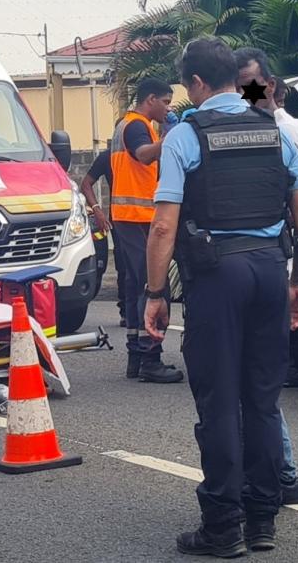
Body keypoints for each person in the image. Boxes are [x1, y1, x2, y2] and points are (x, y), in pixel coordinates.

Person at [144, 37, 298, 556]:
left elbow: (162, 228)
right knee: (262, 401)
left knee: (219, 403)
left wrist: (156, 294)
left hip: (217, 276)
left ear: (197, 82)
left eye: (186, 86)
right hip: (269, 272)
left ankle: (223, 525)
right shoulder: (276, 131)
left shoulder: (184, 136)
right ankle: (263, 518)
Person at [232, 46, 298, 501]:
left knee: (255, 381)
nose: (242, 93)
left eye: (250, 84)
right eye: (236, 84)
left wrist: (297, 279)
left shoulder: (281, 130)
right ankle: (272, 474)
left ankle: (281, 474)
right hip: (256, 262)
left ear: (271, 86)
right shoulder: (244, 125)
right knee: (250, 378)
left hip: (267, 261)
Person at [110, 78, 184, 383]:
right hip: (138, 215)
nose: (167, 108)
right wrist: (172, 137)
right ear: (150, 99)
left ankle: (136, 357)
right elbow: (144, 154)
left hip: (128, 215)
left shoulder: (126, 125)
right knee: (153, 284)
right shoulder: (137, 125)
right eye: (165, 102)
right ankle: (149, 357)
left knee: (135, 284)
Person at [80, 149, 127, 326]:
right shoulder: (108, 156)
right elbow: (86, 184)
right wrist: (97, 210)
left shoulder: (145, 153)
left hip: (147, 218)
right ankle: (126, 311)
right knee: (124, 265)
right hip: (120, 220)